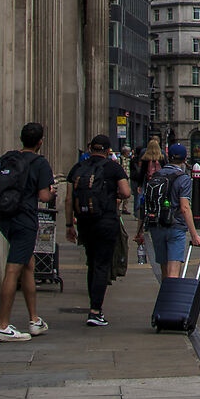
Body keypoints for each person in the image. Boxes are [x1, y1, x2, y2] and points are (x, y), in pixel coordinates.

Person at [0, 121, 56, 342]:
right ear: (40, 141)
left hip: (4, 218)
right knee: (13, 270)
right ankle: (2, 325)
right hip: (25, 221)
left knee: (27, 263)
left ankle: (34, 320)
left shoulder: (7, 158)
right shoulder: (40, 163)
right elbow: (43, 197)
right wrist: (51, 192)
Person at [63, 134, 130, 327]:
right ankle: (95, 311)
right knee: (102, 264)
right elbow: (126, 192)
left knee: (91, 263)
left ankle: (94, 307)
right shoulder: (113, 167)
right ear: (108, 151)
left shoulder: (77, 168)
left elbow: (68, 199)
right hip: (106, 221)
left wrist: (69, 225)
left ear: (90, 148)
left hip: (85, 221)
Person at [141, 141, 200, 280]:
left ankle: (164, 299)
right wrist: (194, 235)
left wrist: (141, 231)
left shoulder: (156, 175)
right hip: (175, 228)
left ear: (168, 157)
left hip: (156, 226)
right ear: (184, 159)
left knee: (164, 272)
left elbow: (145, 203)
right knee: (174, 273)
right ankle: (171, 301)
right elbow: (184, 207)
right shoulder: (183, 179)